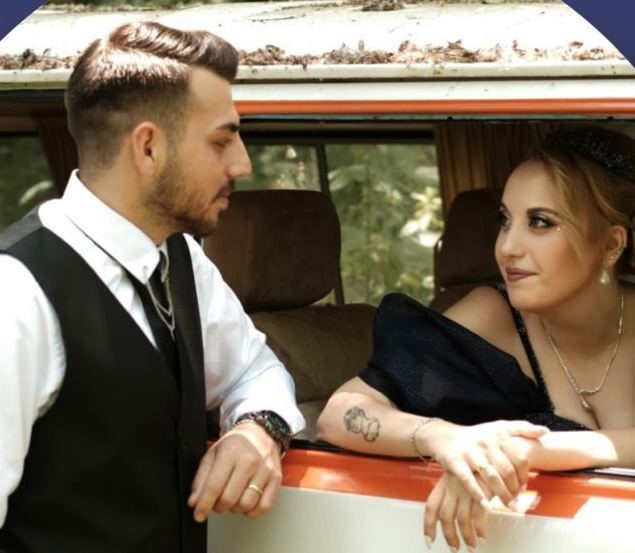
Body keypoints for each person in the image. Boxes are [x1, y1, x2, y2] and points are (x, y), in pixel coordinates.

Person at [0, 21, 305, 553]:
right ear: (147, 148)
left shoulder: (182, 258)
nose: (242, 163)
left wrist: (258, 429)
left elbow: (254, 370)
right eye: (222, 140)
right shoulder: (16, 292)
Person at [316, 125, 635, 552]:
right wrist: (446, 438)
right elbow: (339, 414)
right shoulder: (493, 315)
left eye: (540, 223)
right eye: (505, 220)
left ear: (611, 245)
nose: (507, 247)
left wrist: (524, 452)